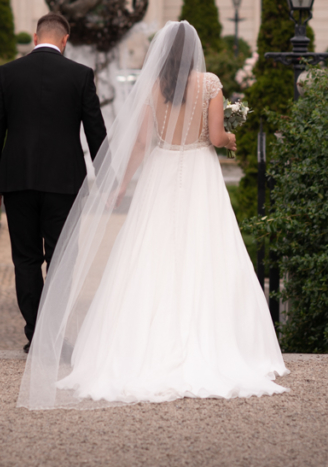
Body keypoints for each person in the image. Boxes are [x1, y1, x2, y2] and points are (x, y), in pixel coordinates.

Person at [18, 21, 287, 409]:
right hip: (198, 172)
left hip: (161, 171)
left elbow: (143, 143)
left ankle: (139, 345)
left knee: (150, 252)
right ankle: (214, 340)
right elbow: (214, 137)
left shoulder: (153, 87)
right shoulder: (210, 83)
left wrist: (121, 184)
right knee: (206, 249)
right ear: (193, 50)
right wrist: (231, 136)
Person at [0, 13, 107, 354]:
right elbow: (96, 132)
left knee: (24, 260)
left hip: (17, 180)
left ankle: (36, 335)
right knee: (61, 259)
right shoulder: (80, 75)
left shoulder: (7, 73)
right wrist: (107, 180)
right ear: (65, 41)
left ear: (35, 37)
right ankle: (50, 336)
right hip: (65, 183)